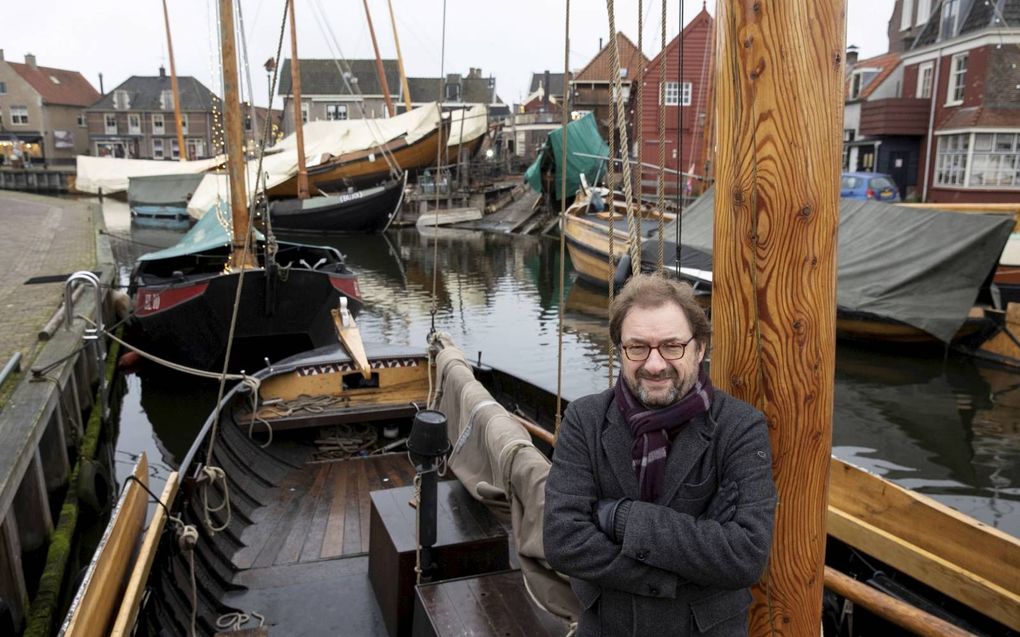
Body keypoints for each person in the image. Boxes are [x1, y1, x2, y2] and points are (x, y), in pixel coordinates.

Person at [544, 273, 777, 636]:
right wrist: (695, 553)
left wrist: (623, 518)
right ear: (620, 349)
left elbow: (745, 556)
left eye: (672, 346)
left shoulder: (739, 427)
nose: (654, 365)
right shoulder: (585, 420)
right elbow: (564, 543)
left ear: (699, 348)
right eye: (638, 347)